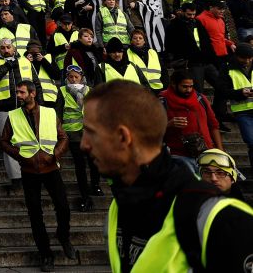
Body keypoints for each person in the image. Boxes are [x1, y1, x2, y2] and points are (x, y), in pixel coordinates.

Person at [81, 80, 253, 270]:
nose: (84, 144)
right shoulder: (119, 205)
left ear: (123, 137)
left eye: (91, 132)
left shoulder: (219, 217)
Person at [0, 80, 74, 271]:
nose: (19, 95)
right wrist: (20, 157)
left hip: (51, 167)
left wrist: (55, 154)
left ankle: (63, 235)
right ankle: (46, 254)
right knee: (35, 214)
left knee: (63, 207)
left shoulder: (49, 112)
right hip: (29, 170)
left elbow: (64, 137)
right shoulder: (13, 115)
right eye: (18, 92)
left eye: (22, 92)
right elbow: (4, 141)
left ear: (32, 93)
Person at [56, 66, 100, 211]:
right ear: (67, 77)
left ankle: (95, 185)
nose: (73, 79)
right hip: (72, 134)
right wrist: (59, 131)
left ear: (81, 77)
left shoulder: (90, 90)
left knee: (94, 162)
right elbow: (59, 112)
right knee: (80, 165)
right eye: (70, 77)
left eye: (76, 76)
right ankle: (85, 195)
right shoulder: (62, 91)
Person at [160, 69, 223, 168]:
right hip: (178, 156)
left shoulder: (201, 99)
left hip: (206, 154)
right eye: (184, 87)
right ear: (173, 84)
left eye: (191, 86)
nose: (188, 90)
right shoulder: (162, 102)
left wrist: (220, 151)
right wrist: (168, 124)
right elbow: (151, 131)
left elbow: (213, 125)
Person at [0, 38, 25, 191]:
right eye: (2, 48)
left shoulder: (24, 62)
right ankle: (16, 178)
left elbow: (35, 83)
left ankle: (31, 175)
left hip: (24, 107)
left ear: (14, 48)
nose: (6, 50)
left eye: (8, 47)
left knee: (28, 142)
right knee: (8, 144)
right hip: (4, 108)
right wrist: (7, 66)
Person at [221, 41, 253, 171]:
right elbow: (222, 91)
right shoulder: (227, 68)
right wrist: (240, 93)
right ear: (236, 55)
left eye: (250, 58)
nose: (246, 61)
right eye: (243, 58)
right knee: (252, 142)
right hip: (243, 112)